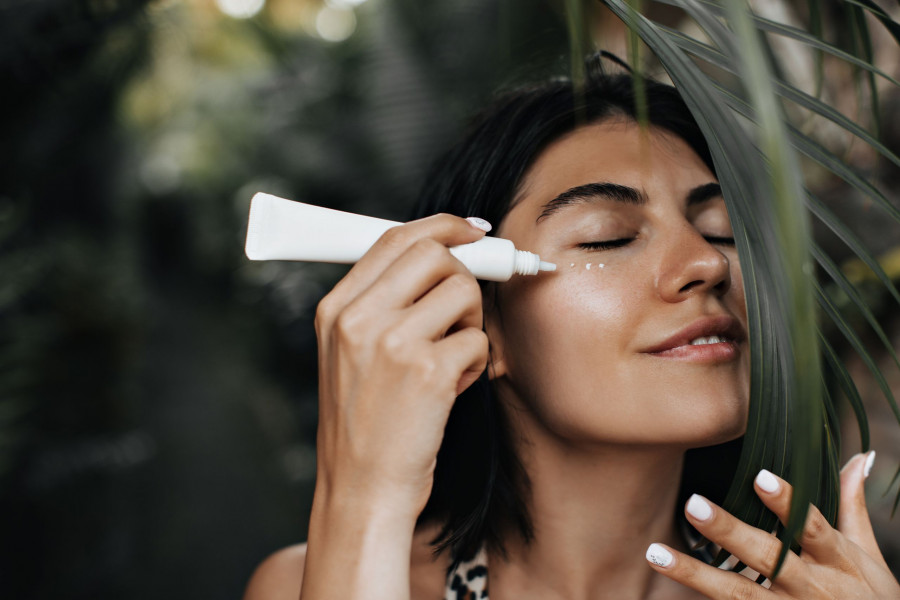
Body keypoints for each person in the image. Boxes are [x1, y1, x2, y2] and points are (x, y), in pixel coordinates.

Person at [243, 55, 900, 599]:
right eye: (608, 239)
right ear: (479, 327)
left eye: (721, 231)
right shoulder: (313, 581)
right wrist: (364, 494)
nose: (705, 264)